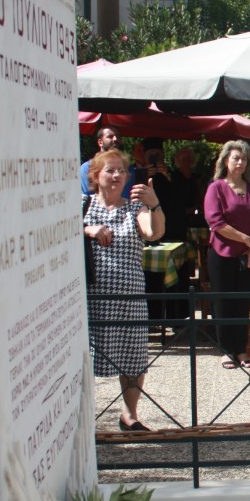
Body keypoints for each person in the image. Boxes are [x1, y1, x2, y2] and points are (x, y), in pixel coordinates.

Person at [83, 149, 165, 431]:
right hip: (92, 296)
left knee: (133, 357)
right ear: (96, 176)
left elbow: (154, 233)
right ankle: (82, 417)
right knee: (86, 359)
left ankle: (129, 414)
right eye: (110, 170)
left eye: (122, 171)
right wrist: (88, 230)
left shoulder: (134, 208)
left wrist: (154, 205)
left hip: (129, 295)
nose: (117, 175)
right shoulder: (82, 205)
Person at [204, 140, 250, 370]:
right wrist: (247, 239)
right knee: (223, 303)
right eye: (235, 158)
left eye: (244, 159)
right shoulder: (216, 187)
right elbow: (216, 222)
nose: (240, 162)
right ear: (225, 161)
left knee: (243, 303)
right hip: (222, 254)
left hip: (248, 255)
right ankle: (225, 350)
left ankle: (241, 350)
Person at [80, 127, 135, 195]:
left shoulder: (129, 168)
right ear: (100, 142)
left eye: (118, 136)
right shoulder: (88, 167)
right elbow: (89, 197)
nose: (115, 139)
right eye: (110, 136)